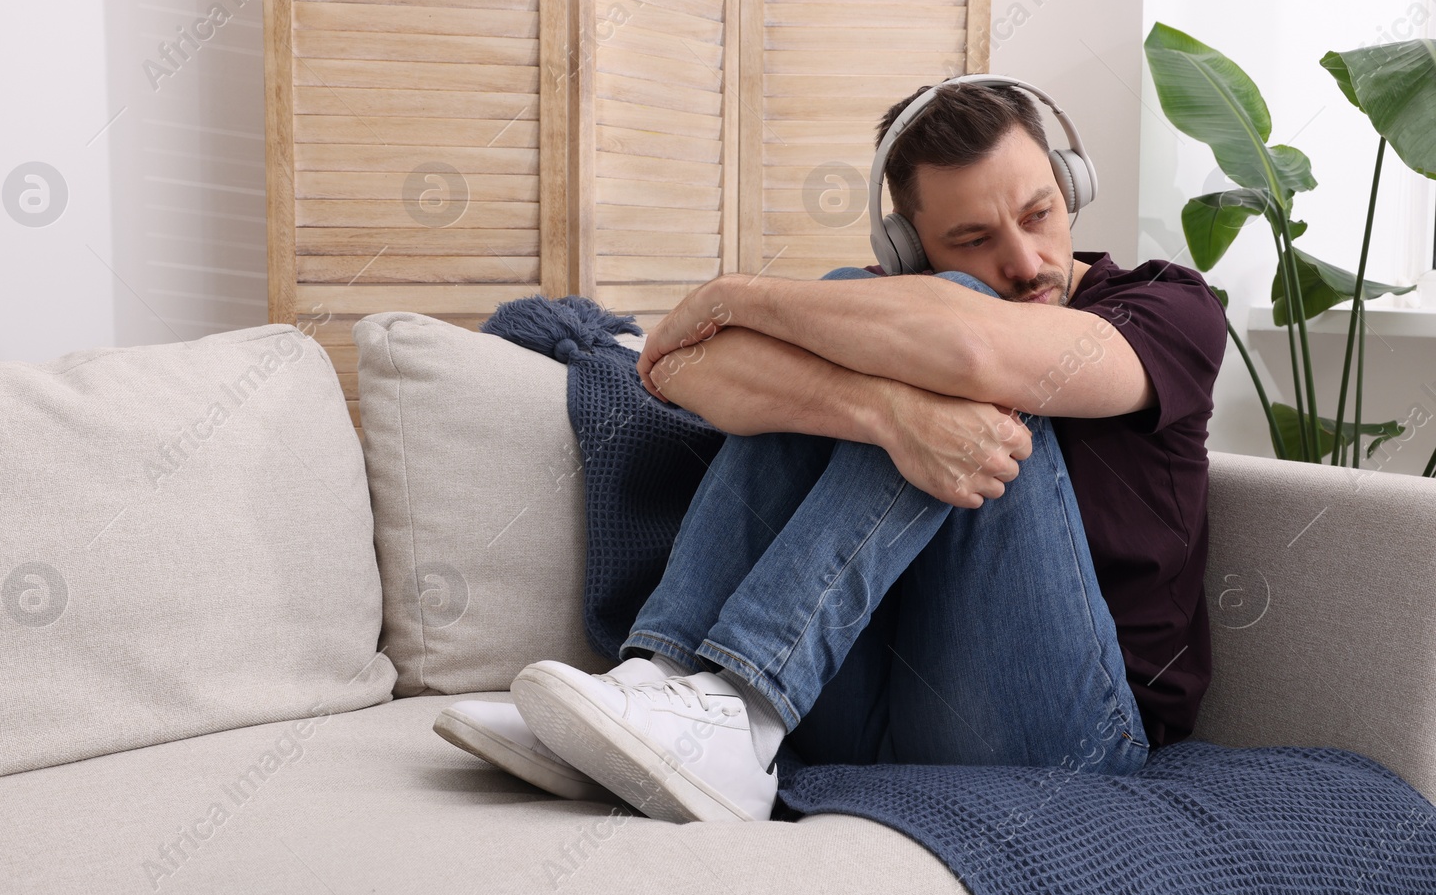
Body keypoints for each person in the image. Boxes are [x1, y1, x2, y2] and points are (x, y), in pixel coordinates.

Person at [436, 79, 1229, 825]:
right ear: (910, 245)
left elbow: (979, 353)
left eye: (1040, 213)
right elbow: (684, 369)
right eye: (974, 237)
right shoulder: (884, 300)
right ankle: (664, 683)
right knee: (859, 342)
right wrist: (882, 413)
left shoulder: (1171, 309)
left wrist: (733, 297)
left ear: (1072, 187)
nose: (1027, 262)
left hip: (1075, 737)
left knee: (933, 338)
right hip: (872, 701)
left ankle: (744, 709)